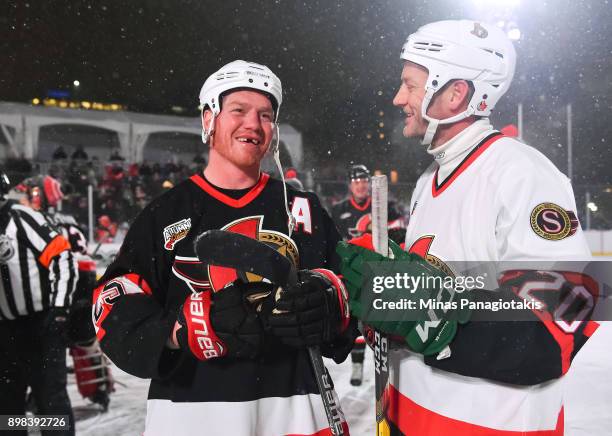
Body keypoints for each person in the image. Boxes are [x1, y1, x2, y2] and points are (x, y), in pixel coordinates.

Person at [337, 20, 598, 435]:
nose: (398, 97)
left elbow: (564, 321)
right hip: (414, 419)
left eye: (410, 84)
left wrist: (433, 313)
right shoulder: (429, 179)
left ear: (455, 93)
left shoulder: (521, 172)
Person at [93, 60, 357, 435]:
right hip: (193, 414)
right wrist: (182, 327)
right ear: (208, 119)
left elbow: (353, 294)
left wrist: (332, 304)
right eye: (239, 110)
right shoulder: (165, 214)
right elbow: (112, 305)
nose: (253, 123)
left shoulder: (303, 209)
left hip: (296, 410)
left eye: (265, 115)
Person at [14, 175, 114, 409]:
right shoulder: (66, 222)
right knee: (85, 345)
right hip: (80, 295)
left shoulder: (33, 222)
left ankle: (40, 397)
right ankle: (99, 387)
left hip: (55, 299)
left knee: (40, 357)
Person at [0, 171, 78, 435]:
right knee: (7, 409)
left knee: (50, 402)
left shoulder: (22, 218)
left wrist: (58, 310)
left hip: (40, 325)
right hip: (5, 332)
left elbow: (63, 258)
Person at [331, 164, 405, 386]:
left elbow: (399, 236)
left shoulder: (385, 207)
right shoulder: (340, 209)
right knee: (356, 319)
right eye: (356, 181)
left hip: (380, 270)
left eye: (363, 181)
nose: (360, 185)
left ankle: (387, 366)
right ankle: (357, 363)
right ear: (350, 185)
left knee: (383, 321)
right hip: (354, 271)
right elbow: (335, 243)